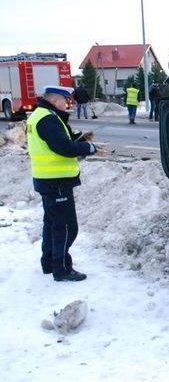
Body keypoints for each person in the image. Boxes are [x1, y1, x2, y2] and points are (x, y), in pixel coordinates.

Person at [26, 86, 97, 281]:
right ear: (56, 100)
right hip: (56, 182)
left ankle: (49, 263)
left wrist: (79, 139)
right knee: (66, 226)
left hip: (48, 180)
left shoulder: (41, 115)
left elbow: (59, 141)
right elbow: (63, 147)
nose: (67, 105)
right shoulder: (48, 119)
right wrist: (87, 148)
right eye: (65, 101)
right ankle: (62, 268)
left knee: (52, 224)